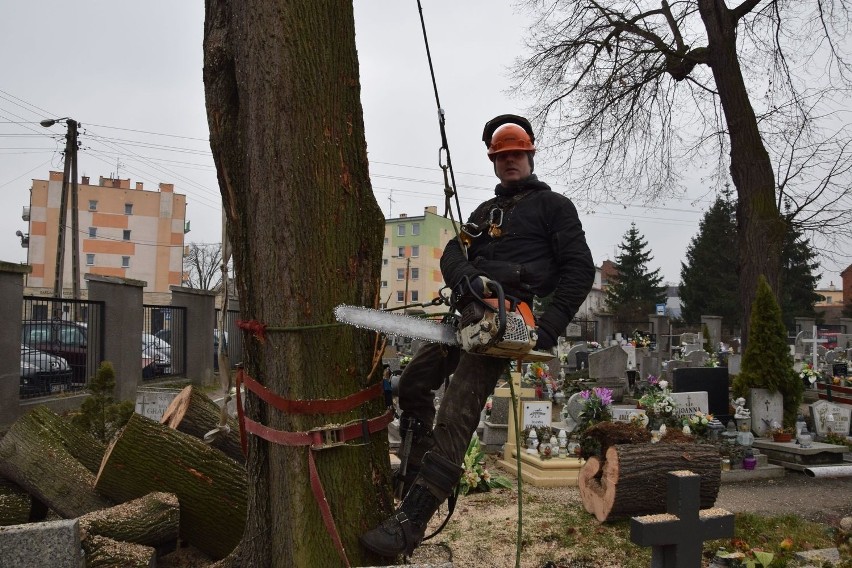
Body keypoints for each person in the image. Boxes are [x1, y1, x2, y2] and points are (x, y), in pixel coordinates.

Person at [360, 114, 595, 557]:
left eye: (516, 155)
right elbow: (454, 250)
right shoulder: (485, 214)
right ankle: (413, 479)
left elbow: (580, 268)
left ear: (529, 156)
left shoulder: (555, 207)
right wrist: (465, 276)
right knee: (414, 382)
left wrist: (548, 329)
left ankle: (411, 524)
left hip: (510, 316)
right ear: (493, 160)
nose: (509, 162)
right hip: (468, 312)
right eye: (501, 156)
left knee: (458, 410)